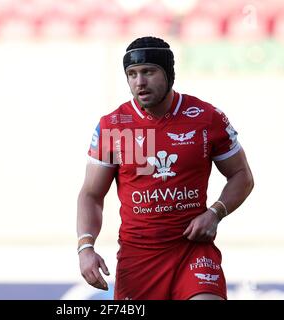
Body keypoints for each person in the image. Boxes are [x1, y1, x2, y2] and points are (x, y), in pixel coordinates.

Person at [76, 36, 254, 300]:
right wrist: (85, 247)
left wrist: (215, 213)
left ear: (169, 73)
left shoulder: (206, 117)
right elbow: (91, 194)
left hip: (192, 251)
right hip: (138, 260)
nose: (139, 82)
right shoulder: (113, 126)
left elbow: (242, 176)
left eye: (148, 71)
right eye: (132, 74)